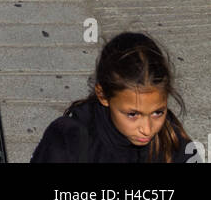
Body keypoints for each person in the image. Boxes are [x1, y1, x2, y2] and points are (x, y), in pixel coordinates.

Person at [31, 32, 193, 163]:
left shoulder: (171, 138)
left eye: (158, 112)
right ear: (103, 95)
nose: (147, 129)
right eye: (133, 114)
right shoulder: (69, 140)